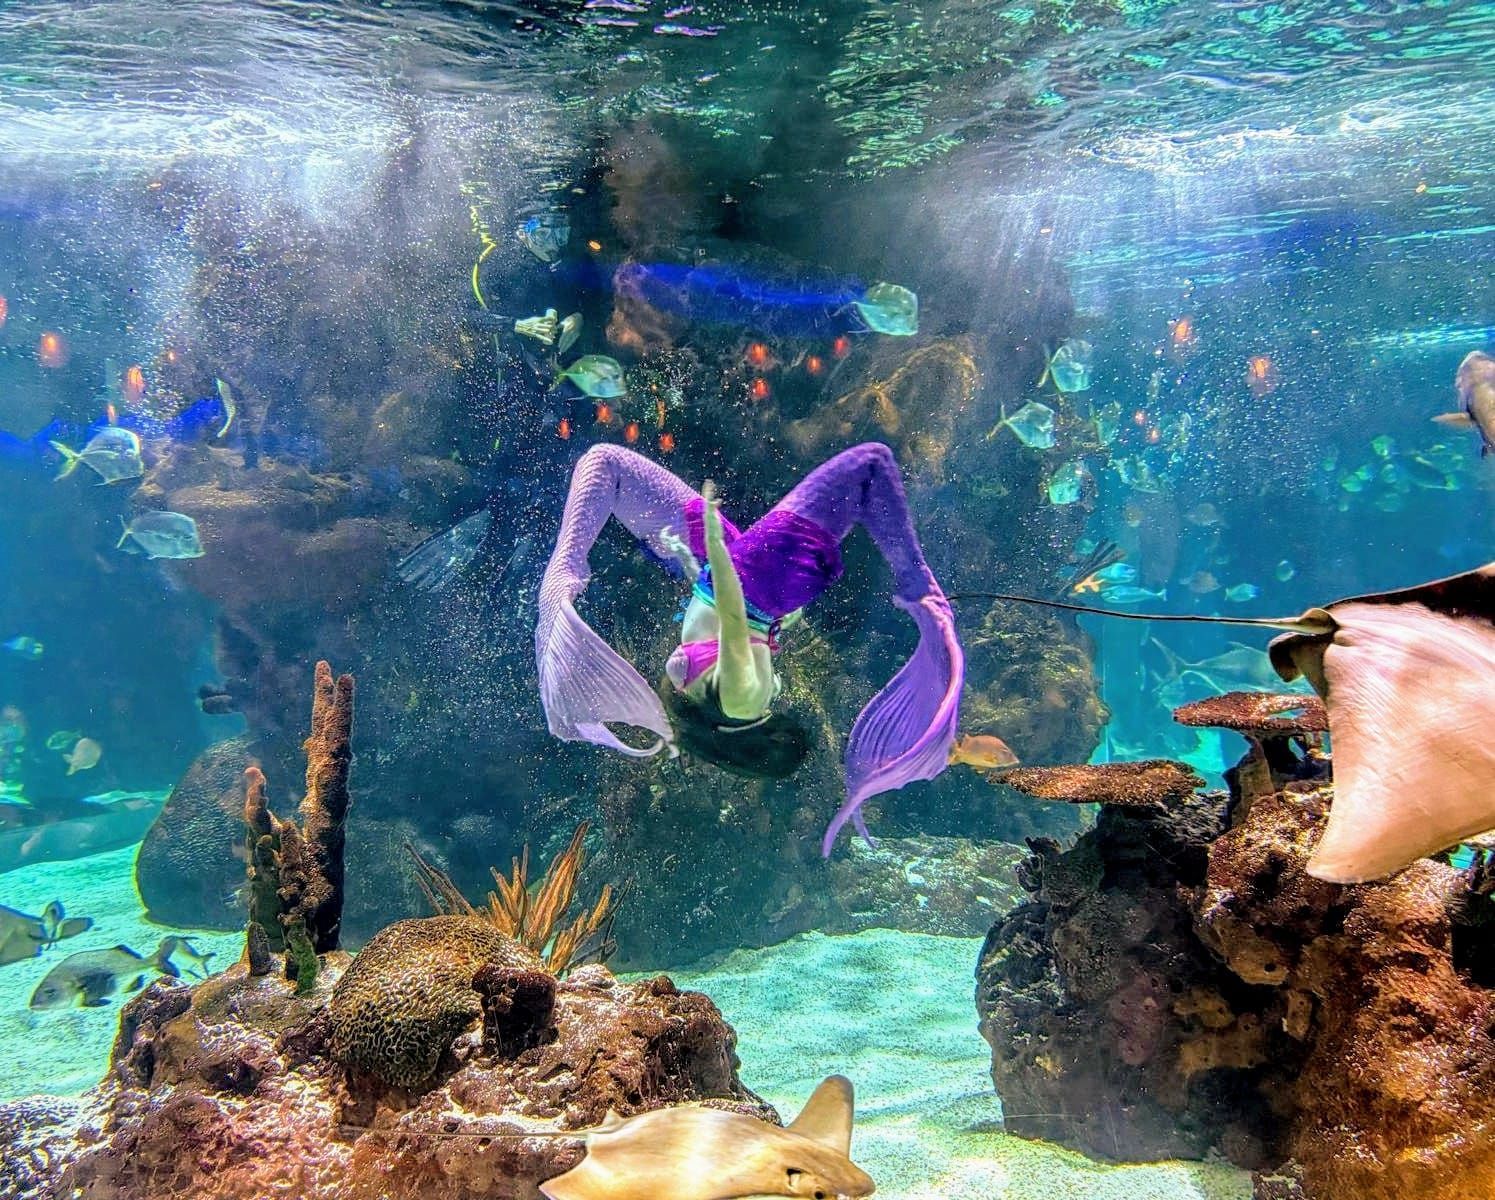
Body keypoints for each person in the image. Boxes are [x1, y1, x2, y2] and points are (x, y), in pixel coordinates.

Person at [535, 442, 963, 854]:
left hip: (751, 573)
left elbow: (734, 613)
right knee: (607, 465)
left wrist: (717, 547)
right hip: (725, 572)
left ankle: (919, 587)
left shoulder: (744, 704)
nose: (779, 699)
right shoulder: (700, 703)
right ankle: (566, 565)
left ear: (772, 738)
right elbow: (728, 626)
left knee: (870, 464)